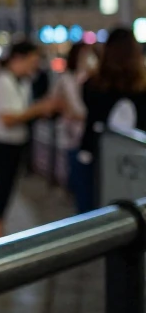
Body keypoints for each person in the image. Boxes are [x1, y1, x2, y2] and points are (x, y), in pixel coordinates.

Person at [0, 41, 57, 239]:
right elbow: (8, 118)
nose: (35, 65)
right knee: (4, 187)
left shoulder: (22, 82)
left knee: (7, 186)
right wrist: (38, 109)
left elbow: (19, 114)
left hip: (14, 142)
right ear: (18, 58)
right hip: (2, 143)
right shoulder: (3, 81)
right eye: (32, 60)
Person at [78, 28, 146, 214]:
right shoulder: (142, 86)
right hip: (137, 159)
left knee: (91, 214)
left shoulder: (93, 85)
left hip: (94, 156)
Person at [52, 43, 93, 204]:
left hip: (88, 137)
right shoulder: (66, 80)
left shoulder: (93, 79)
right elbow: (61, 105)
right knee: (78, 181)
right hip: (72, 137)